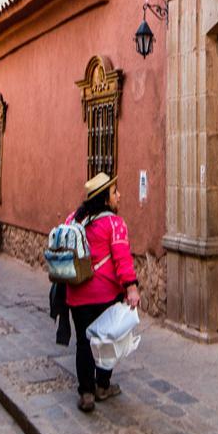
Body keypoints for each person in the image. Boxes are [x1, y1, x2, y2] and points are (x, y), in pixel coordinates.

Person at [65, 172, 139, 413]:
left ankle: (86, 393)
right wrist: (131, 287)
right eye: (114, 192)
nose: (119, 195)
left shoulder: (73, 220)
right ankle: (102, 386)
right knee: (107, 339)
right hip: (104, 295)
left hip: (76, 294)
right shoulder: (114, 224)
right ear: (105, 199)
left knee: (83, 343)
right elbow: (122, 258)